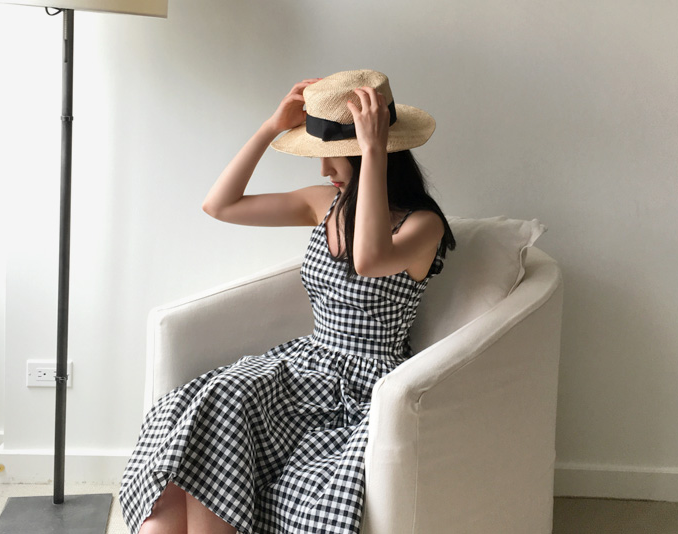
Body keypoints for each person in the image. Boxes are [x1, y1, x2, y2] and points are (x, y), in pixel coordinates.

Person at [119, 69, 456, 534]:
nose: (323, 171)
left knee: (222, 407)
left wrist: (374, 151)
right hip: (306, 365)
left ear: (368, 152)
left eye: (333, 158)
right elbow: (220, 205)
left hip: (361, 385)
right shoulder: (324, 205)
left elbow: (369, 259)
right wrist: (270, 128)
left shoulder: (423, 225)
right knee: (211, 408)